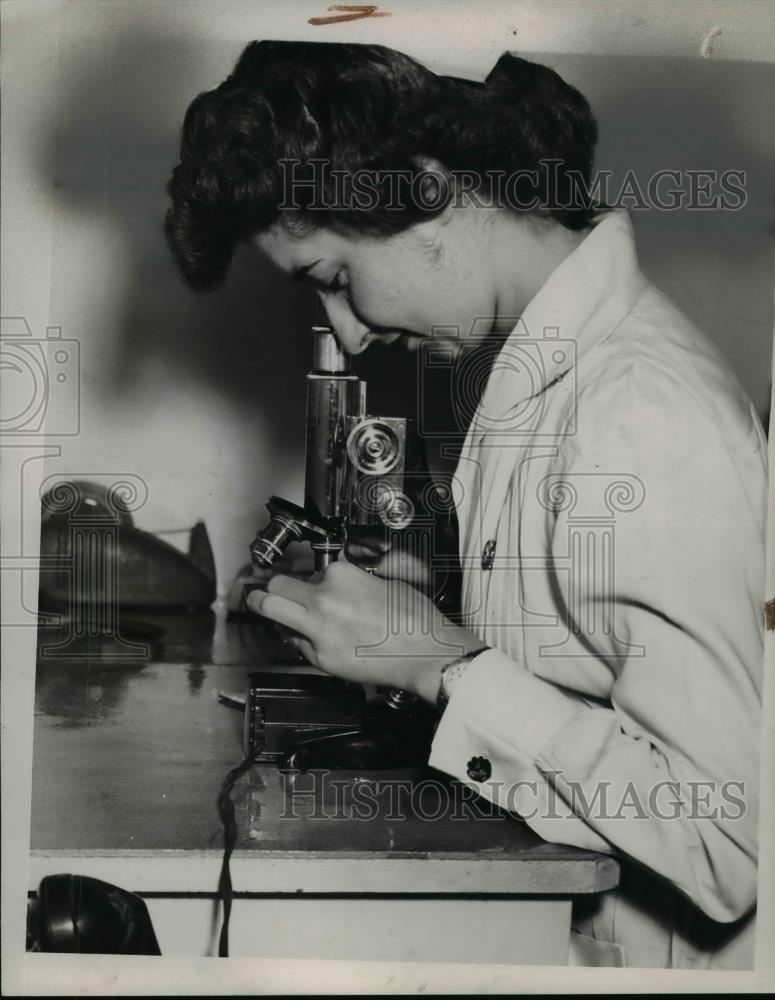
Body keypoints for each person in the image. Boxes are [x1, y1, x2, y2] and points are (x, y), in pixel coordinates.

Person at [164, 40, 766, 969]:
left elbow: (727, 844)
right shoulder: (535, 370)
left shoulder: (637, 407)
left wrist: (440, 660)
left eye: (332, 281)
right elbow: (584, 666)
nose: (350, 336)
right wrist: (413, 612)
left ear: (430, 188)